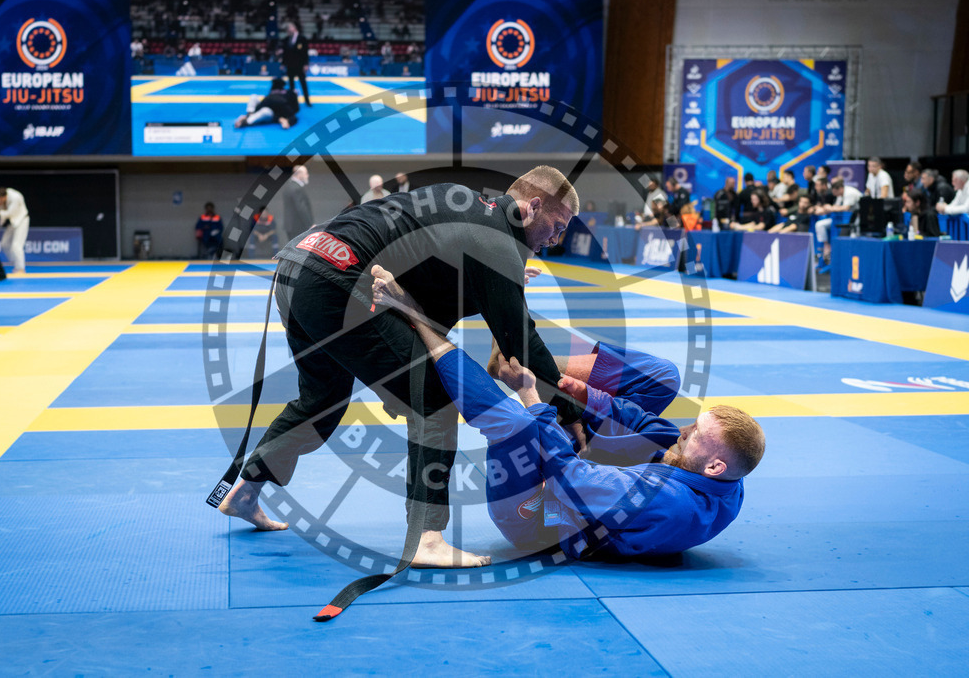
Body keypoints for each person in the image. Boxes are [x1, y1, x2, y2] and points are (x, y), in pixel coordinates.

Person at [217, 166, 581, 569]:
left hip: (299, 266)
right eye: (557, 225)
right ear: (532, 206)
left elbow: (424, 293)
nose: (557, 238)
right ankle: (427, 539)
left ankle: (245, 492)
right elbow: (521, 342)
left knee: (322, 399)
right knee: (435, 395)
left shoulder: (462, 205)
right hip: (336, 278)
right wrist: (570, 412)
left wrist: (504, 283)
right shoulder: (492, 240)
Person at [370, 266, 765, 560]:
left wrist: (532, 397)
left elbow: (571, 475)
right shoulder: (727, 475)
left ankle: (415, 318)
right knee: (662, 378)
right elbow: (652, 429)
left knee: (518, 424)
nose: (682, 431)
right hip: (604, 481)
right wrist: (583, 396)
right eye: (692, 425)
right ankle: (517, 345)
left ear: (713, 466)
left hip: (540, 514)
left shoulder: (671, 501)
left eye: (693, 435)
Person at [233, 77, 299, 130]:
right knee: (253, 97)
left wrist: (285, 121)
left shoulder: (287, 96)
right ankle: (249, 114)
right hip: (265, 106)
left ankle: (246, 121)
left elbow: (293, 115)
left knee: (265, 111)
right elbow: (262, 104)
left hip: (272, 113)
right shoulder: (272, 93)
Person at [0, 187, 30, 275]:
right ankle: (16, 262)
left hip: (21, 220)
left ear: (3, 197)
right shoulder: (2, 199)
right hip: (12, 222)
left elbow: (10, 213)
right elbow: (1, 211)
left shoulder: (15, 197)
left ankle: (21, 269)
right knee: (4, 244)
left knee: (16, 245)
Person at [280, 165, 314, 241]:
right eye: (306, 173)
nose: (307, 176)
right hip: (298, 226)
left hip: (291, 226)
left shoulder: (289, 186)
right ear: (299, 174)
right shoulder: (296, 188)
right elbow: (301, 208)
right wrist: (310, 224)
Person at [282, 22, 311, 107]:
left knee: (303, 83)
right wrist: (283, 63)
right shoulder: (286, 39)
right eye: (287, 30)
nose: (288, 31)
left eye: (289, 28)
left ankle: (307, 101)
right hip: (290, 65)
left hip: (300, 65)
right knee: (291, 84)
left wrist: (306, 64)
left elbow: (305, 52)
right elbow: (285, 53)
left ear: (294, 28)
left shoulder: (302, 38)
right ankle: (292, 101)